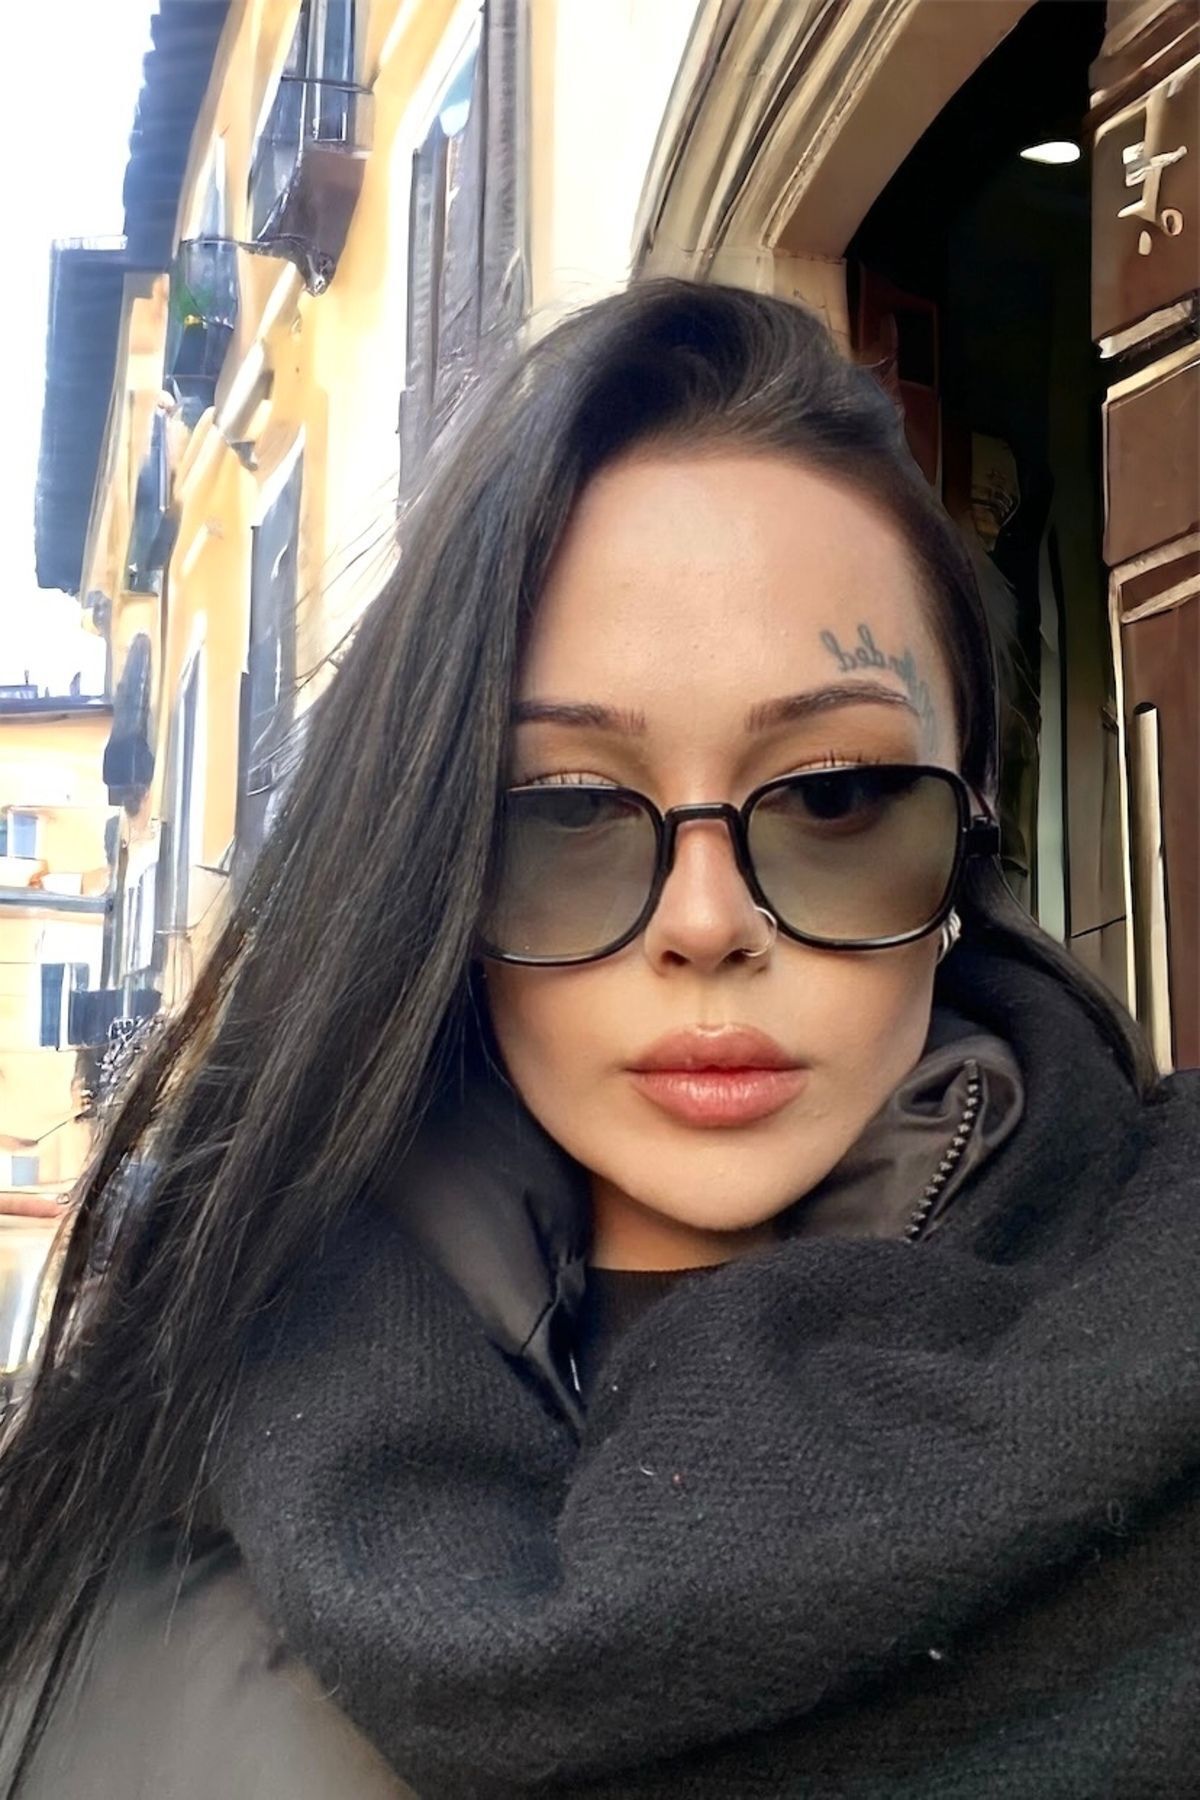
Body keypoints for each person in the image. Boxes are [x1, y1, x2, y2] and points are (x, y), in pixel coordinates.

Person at [1, 280, 1197, 1800]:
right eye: (566, 808)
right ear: (435, 856)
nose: (706, 922)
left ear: (968, 826)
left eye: (835, 794)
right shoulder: (129, 1505)